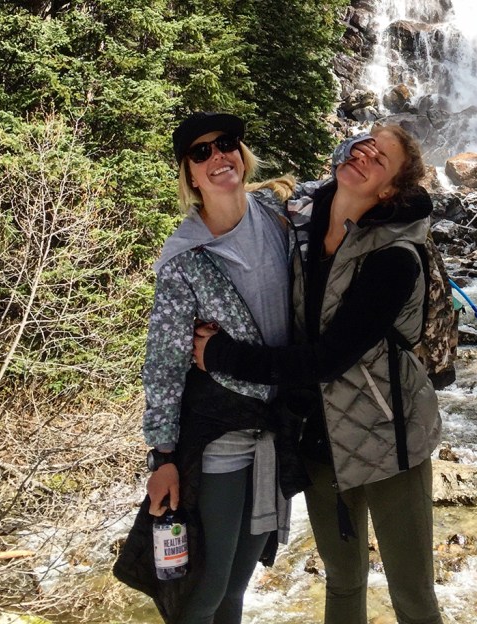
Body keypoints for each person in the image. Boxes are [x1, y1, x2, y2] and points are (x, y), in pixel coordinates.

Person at [193, 124, 444, 624]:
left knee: (412, 596)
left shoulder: (394, 256)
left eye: (382, 158)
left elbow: (329, 358)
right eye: (364, 144)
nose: (365, 153)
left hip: (388, 438)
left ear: (389, 189)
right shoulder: (303, 223)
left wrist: (223, 355)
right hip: (319, 438)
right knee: (344, 582)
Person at [116, 111, 296, 624]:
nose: (219, 156)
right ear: (189, 175)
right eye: (202, 152)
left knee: (238, 584)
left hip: (276, 426)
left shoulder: (279, 215)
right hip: (219, 432)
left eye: (227, 144)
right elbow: (165, 362)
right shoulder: (184, 258)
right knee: (204, 589)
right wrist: (162, 456)